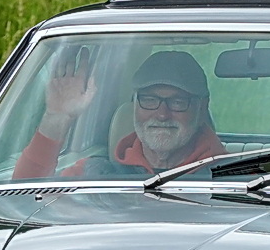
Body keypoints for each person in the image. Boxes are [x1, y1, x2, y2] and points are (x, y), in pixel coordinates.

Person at [13, 48, 227, 179]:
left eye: (178, 102)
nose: (162, 114)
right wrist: (57, 118)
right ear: (134, 104)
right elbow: (22, 198)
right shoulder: (95, 174)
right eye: (149, 100)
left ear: (201, 107)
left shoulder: (239, 179)